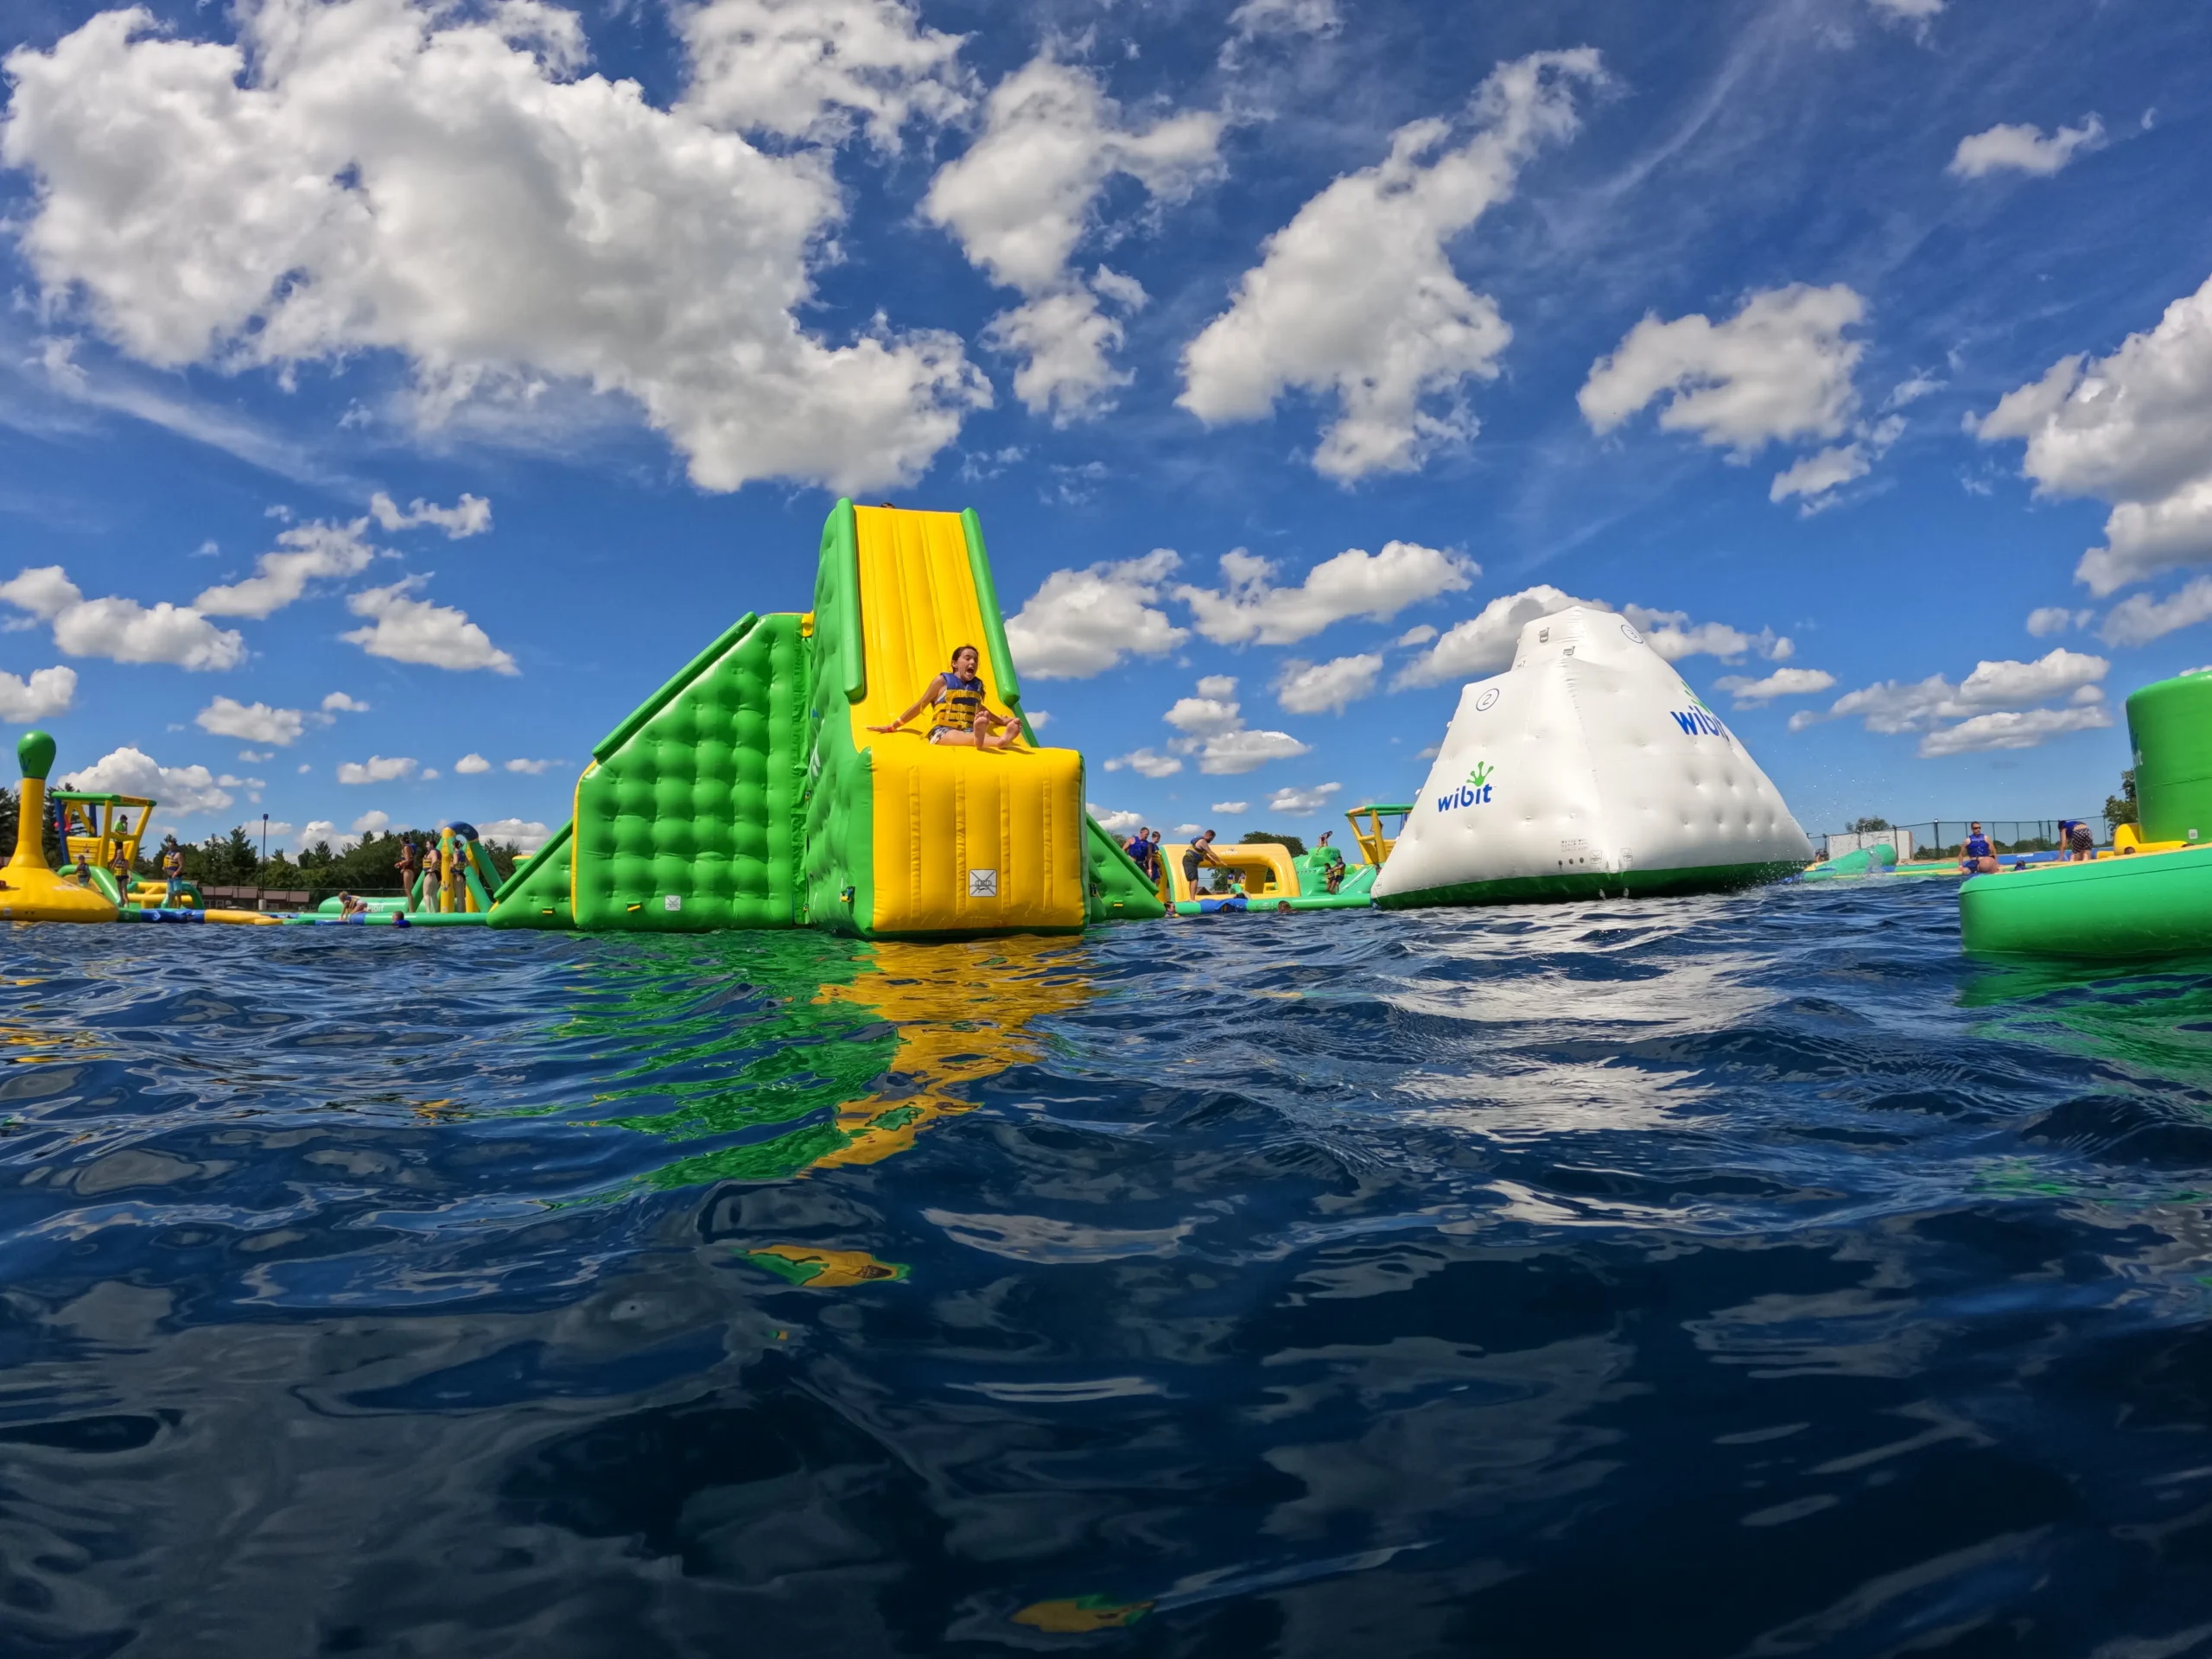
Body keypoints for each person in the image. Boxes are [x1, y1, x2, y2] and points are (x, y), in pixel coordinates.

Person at [868, 645, 1019, 751]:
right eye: (967, 658)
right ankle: (992, 740)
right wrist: (892, 726)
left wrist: (1001, 721)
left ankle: (993, 739)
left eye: (975, 660)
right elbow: (921, 704)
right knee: (963, 736)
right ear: (954, 663)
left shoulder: (976, 686)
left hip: (967, 729)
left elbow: (978, 707)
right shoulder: (941, 682)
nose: (972, 662)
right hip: (942, 731)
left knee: (976, 735)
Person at [1181, 830, 1224, 897]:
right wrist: (1220, 860)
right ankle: (1192, 899)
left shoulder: (1201, 843)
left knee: (1193, 879)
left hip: (1190, 860)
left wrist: (1211, 860)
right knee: (1194, 879)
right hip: (1190, 860)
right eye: (1212, 839)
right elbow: (1210, 852)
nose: (1211, 840)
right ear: (1209, 835)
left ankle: (1191, 898)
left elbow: (1204, 855)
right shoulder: (1202, 841)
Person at [1313, 830, 1347, 895]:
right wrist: (1331, 869)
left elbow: (1338, 868)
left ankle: (1339, 894)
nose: (1339, 861)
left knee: (1337, 884)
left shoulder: (1342, 864)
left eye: (1340, 860)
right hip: (1335, 876)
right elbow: (1334, 867)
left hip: (1340, 876)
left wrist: (1331, 870)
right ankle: (1334, 894)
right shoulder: (1335, 864)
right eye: (1338, 860)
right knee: (1328, 889)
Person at [396, 836, 420, 909]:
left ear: (402, 841)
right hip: (409, 870)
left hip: (408, 870)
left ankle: (411, 910)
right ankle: (411, 908)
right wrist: (403, 868)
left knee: (408, 891)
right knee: (408, 890)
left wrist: (399, 864)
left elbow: (407, 860)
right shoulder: (410, 848)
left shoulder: (406, 848)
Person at [160, 836, 185, 906]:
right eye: (168, 845)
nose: (169, 846)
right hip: (169, 877)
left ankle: (178, 909)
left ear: (174, 845)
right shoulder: (168, 854)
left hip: (176, 877)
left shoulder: (178, 854)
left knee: (178, 894)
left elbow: (181, 866)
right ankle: (170, 908)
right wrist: (164, 868)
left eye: (170, 845)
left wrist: (176, 873)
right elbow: (166, 865)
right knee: (170, 894)